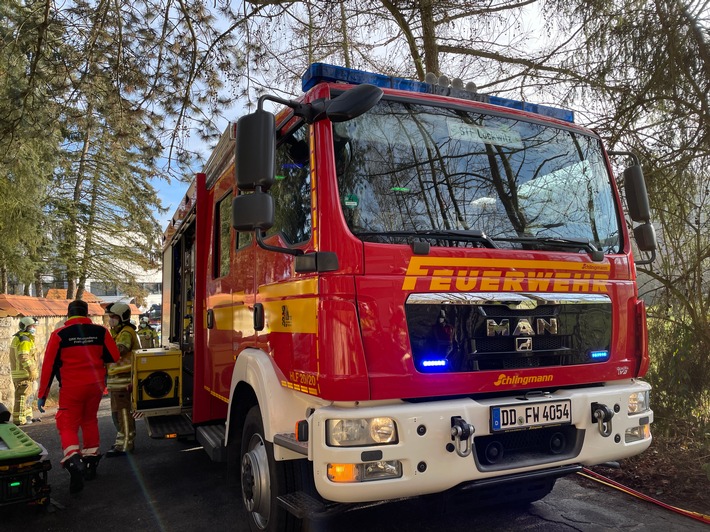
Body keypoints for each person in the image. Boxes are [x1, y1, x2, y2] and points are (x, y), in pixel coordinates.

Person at [37, 300, 120, 493]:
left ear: (68, 314)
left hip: (71, 388)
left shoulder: (59, 335)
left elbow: (48, 367)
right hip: (95, 386)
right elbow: (114, 356)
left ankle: (73, 460)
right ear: (86, 314)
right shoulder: (101, 332)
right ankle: (91, 462)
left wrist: (43, 394)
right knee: (89, 420)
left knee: (68, 424)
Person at [105, 302, 141, 457]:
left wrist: (98, 351)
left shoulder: (126, 333)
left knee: (123, 414)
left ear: (121, 317)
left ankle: (125, 444)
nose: (110, 319)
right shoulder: (118, 332)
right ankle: (122, 441)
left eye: (113, 317)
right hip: (116, 382)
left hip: (123, 381)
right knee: (117, 414)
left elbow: (119, 350)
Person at [10, 317, 40, 426]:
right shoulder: (24, 340)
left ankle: (27, 418)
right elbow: (23, 357)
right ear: (26, 327)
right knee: (22, 397)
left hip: (21, 373)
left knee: (26, 397)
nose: (34, 328)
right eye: (32, 326)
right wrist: (31, 370)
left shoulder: (20, 338)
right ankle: (19, 420)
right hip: (24, 374)